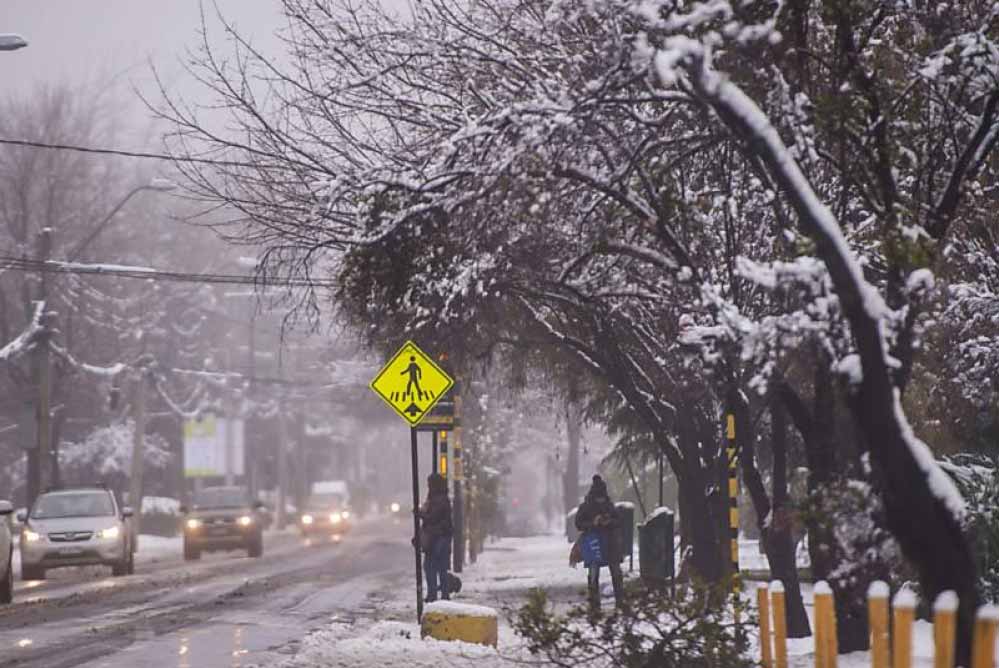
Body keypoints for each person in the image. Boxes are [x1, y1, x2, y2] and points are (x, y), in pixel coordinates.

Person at [575, 474, 624, 612]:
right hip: (594, 543)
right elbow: (579, 523)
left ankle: (620, 600)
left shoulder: (609, 505)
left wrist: (609, 522)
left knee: (615, 571)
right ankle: (594, 602)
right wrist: (593, 524)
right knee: (594, 571)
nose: (601, 500)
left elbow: (618, 520)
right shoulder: (586, 506)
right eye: (599, 498)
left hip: (610, 543)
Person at [419, 472, 453, 602]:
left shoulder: (438, 499)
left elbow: (433, 518)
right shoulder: (441, 497)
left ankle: (433, 595)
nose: (428, 486)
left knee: (430, 566)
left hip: (438, 537)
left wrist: (420, 514)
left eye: (429, 484)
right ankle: (443, 595)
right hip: (441, 536)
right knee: (440, 567)